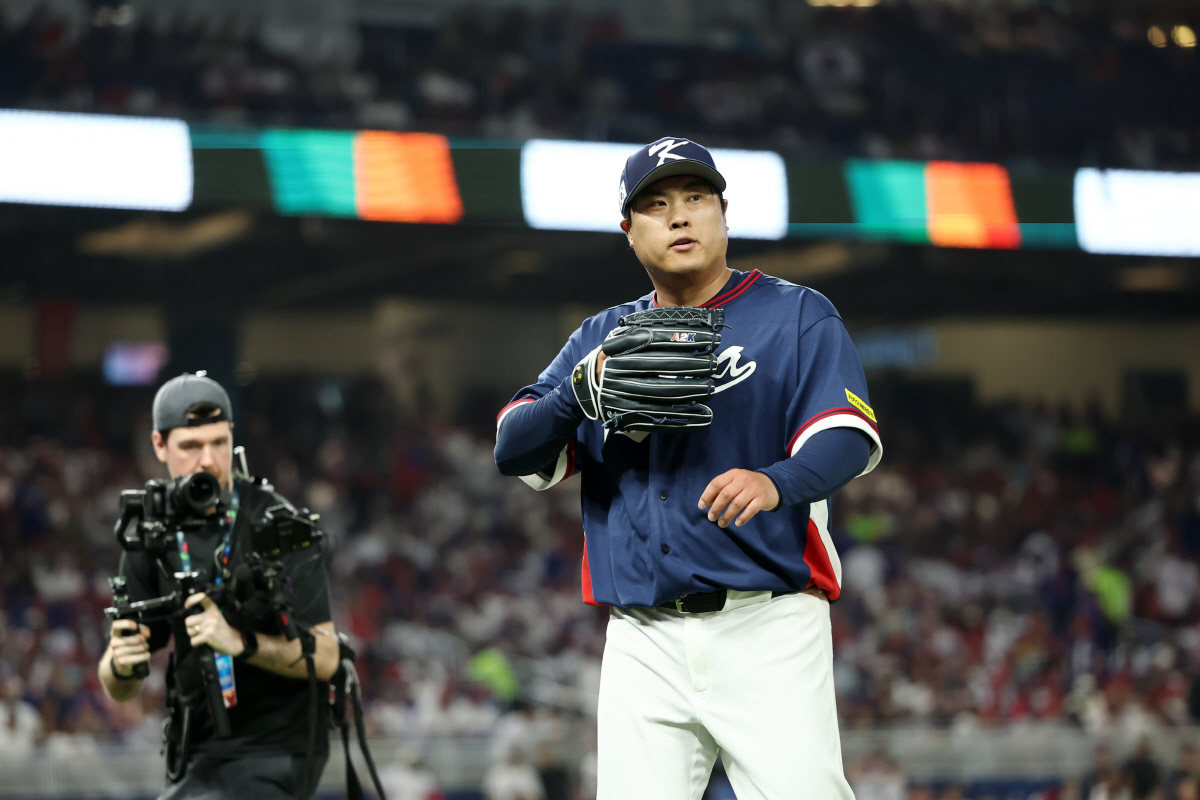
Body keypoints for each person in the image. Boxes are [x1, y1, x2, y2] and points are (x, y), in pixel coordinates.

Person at [495, 137, 881, 799]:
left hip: (767, 623)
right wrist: (575, 396)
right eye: (657, 204)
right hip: (641, 638)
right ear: (629, 230)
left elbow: (846, 438)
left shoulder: (795, 315)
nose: (679, 217)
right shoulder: (600, 339)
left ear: (724, 214)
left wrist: (774, 480)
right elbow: (513, 447)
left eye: (696, 198)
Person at [98, 373, 340, 799]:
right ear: (159, 446)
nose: (208, 460)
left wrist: (239, 642)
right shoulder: (151, 533)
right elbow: (120, 686)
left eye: (219, 443)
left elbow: (326, 657)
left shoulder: (280, 525)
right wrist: (120, 662)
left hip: (279, 747)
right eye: (191, 446)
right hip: (197, 750)